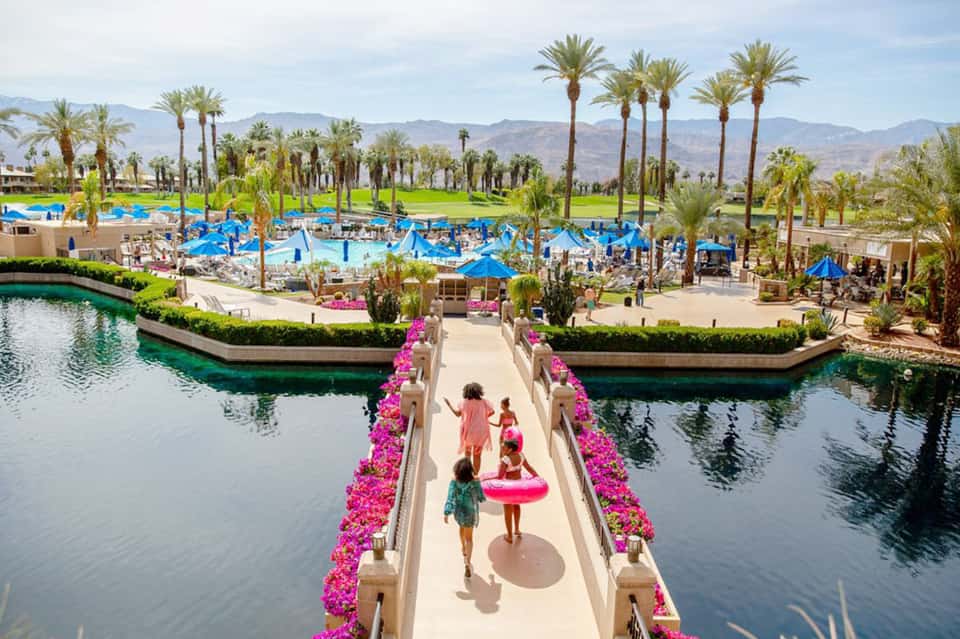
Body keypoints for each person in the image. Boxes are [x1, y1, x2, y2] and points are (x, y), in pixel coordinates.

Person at [444, 457, 485, 578]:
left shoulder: (454, 481)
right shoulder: (475, 480)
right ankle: (467, 561)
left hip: (458, 512)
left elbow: (450, 497)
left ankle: (463, 548)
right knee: (470, 539)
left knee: (461, 529)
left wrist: (447, 512)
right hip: (470, 513)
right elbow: (481, 497)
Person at [444, 382, 495, 473]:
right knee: (477, 455)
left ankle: (467, 474)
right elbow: (492, 412)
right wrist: (483, 418)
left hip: (470, 432)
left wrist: (449, 404)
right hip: (481, 432)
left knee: (468, 454)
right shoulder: (483, 402)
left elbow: (457, 414)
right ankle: (475, 475)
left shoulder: (464, 402)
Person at [498, 439, 539, 543]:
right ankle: (516, 529)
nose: (502, 449)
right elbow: (529, 468)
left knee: (508, 511)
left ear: (510, 449)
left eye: (504, 448)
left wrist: (488, 478)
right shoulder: (521, 455)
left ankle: (509, 536)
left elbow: (500, 476)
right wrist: (537, 477)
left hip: (509, 487)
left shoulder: (505, 459)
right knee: (516, 506)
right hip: (519, 485)